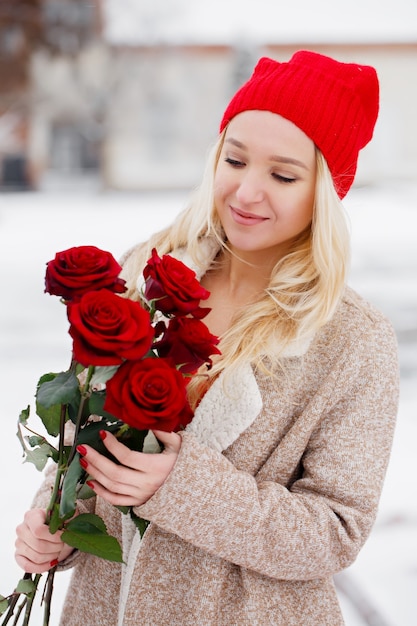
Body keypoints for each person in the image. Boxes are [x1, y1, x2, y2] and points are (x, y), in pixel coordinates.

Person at [15, 50, 399, 625]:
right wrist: (60, 521)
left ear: (325, 190)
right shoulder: (148, 272)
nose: (245, 193)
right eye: (235, 160)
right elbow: (85, 439)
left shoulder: (352, 341)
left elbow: (333, 533)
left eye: (283, 175)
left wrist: (184, 485)